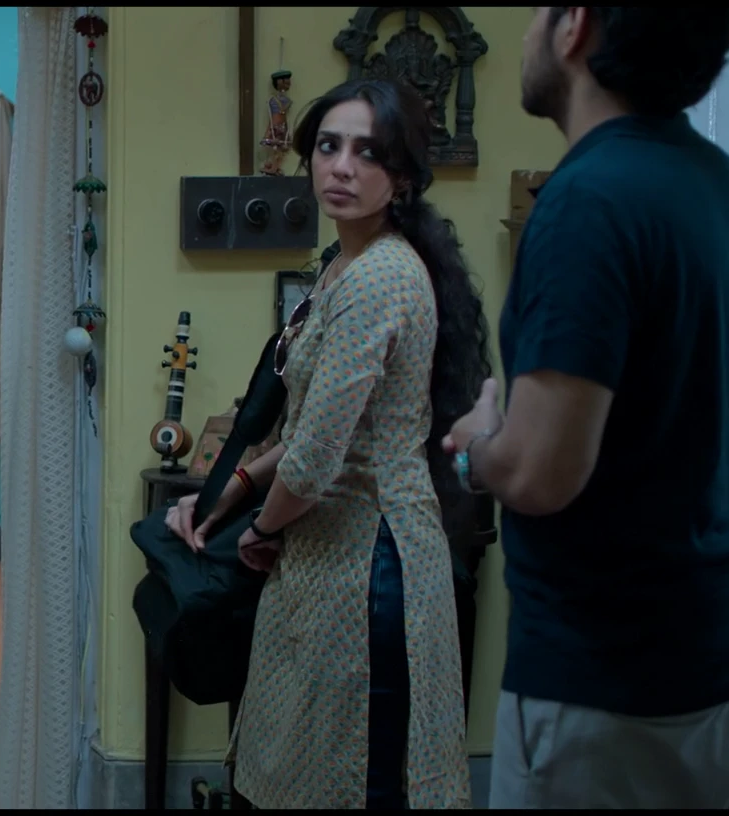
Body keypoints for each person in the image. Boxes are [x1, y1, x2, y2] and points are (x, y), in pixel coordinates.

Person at [443, 8, 729, 809]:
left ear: (577, 28)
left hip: (607, 691)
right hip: (725, 668)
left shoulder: (585, 202)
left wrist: (477, 443)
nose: (527, 31)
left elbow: (539, 474)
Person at [167, 78, 489, 809]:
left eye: (367, 152)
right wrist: (231, 497)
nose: (341, 166)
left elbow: (315, 458)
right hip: (328, 559)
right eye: (327, 146)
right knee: (301, 773)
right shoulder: (343, 264)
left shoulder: (379, 279)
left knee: (358, 779)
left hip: (370, 567)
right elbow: (317, 426)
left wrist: (260, 530)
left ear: (401, 176)